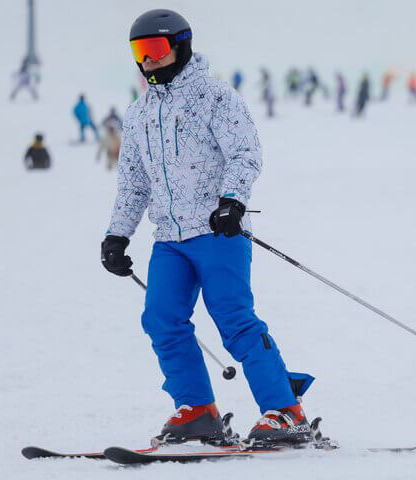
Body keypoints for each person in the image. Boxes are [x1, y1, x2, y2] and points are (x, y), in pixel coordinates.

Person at [103, 9, 314, 447]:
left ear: (180, 46)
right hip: (170, 240)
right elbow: (134, 183)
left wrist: (232, 201)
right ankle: (197, 409)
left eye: (155, 49)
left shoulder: (215, 97)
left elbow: (245, 152)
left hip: (219, 233)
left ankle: (285, 411)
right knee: (161, 318)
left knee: (233, 319)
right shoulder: (139, 114)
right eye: (139, 51)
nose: (147, 60)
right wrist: (117, 234)